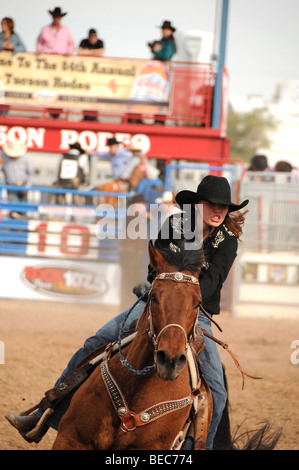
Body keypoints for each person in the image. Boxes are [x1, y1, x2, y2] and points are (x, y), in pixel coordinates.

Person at [5, 175, 249, 451]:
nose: (218, 211)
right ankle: (44, 413)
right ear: (197, 205)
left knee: (216, 389)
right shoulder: (177, 224)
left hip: (196, 312)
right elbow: (155, 263)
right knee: (96, 342)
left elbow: (212, 281)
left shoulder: (227, 240)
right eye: (212, 204)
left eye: (224, 206)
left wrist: (179, 289)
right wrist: (154, 285)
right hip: (157, 303)